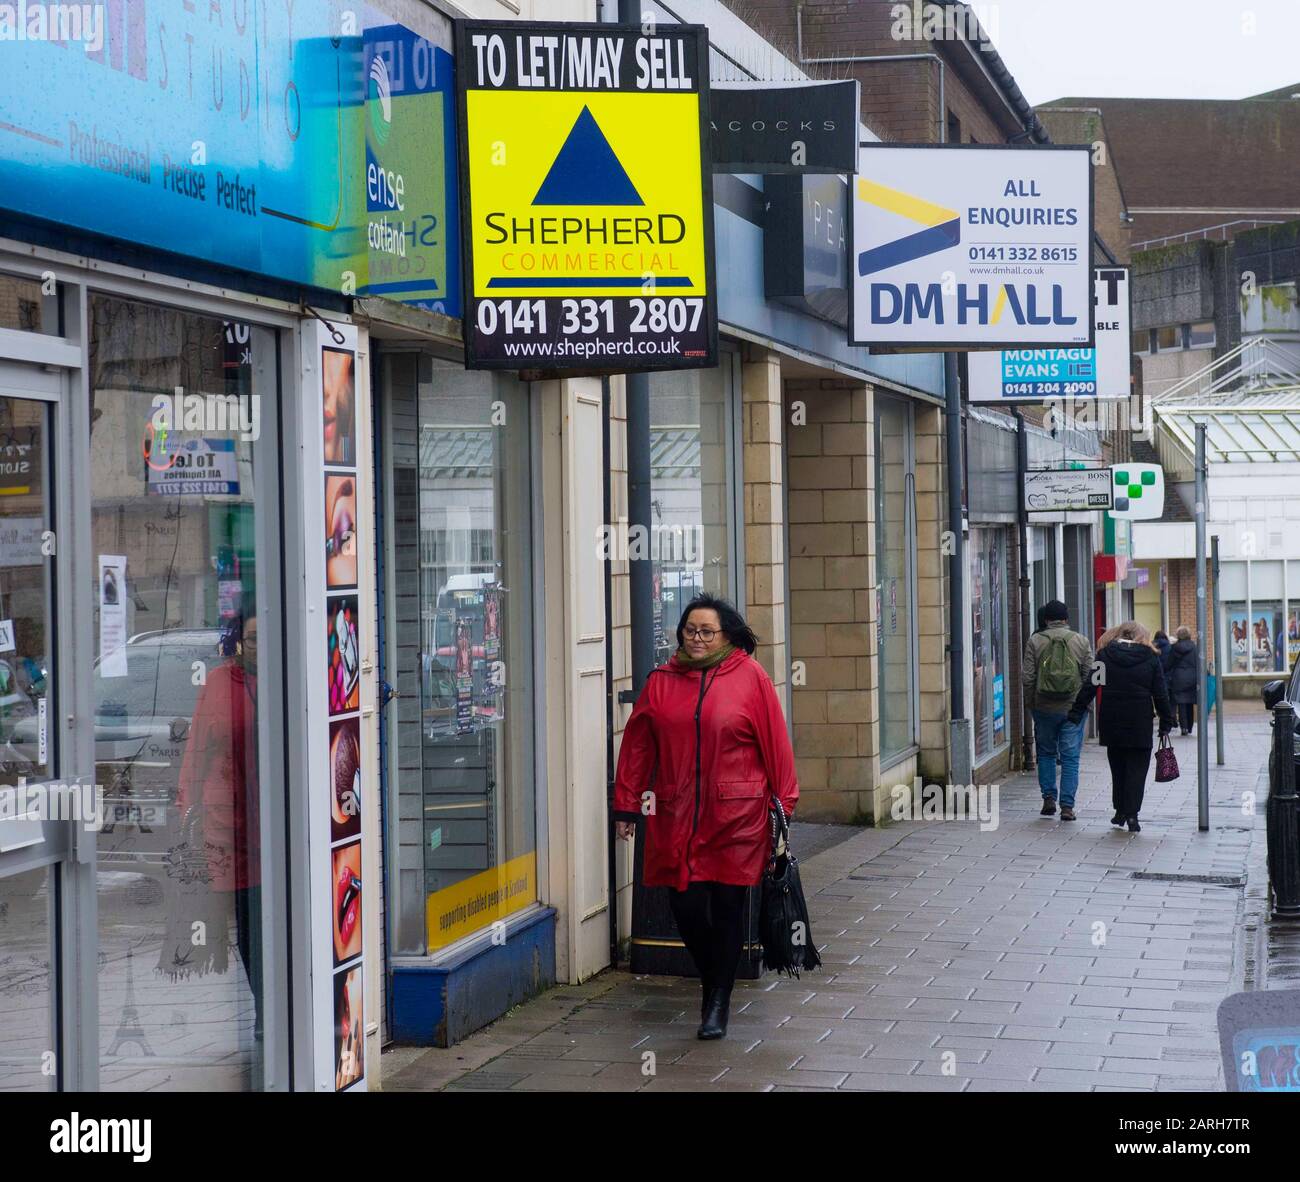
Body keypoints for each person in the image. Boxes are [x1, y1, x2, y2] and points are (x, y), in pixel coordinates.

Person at [613, 594, 797, 1040]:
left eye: (706, 632)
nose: (696, 639)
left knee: (730, 908)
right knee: (687, 904)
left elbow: (776, 744)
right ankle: (715, 978)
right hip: (677, 814)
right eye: (689, 631)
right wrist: (626, 803)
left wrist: (784, 806)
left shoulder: (750, 678)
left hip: (738, 816)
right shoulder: (661, 681)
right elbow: (638, 745)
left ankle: (717, 1001)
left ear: (726, 635)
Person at [173, 609, 263, 1039]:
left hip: (280, 821)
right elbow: (197, 750)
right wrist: (187, 807)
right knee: (249, 920)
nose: (261, 646)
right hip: (231, 821)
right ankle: (266, 1009)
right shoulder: (220, 684)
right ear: (239, 641)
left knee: (279, 915)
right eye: (253, 637)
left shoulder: (293, 675)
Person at [1069, 620, 1175, 833]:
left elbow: (1092, 684)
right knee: (1137, 770)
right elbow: (1160, 693)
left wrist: (1076, 711)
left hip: (1112, 720)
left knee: (1118, 769)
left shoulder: (1105, 656)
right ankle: (1132, 815)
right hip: (1140, 722)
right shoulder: (1151, 658)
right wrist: (1166, 721)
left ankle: (1119, 811)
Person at [1022, 600, 1092, 821]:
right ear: (1066, 619)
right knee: (1071, 758)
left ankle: (1048, 798)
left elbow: (1028, 678)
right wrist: (1083, 704)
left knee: (1046, 753)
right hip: (1073, 709)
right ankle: (1067, 807)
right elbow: (1092, 676)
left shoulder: (1035, 641)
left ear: (1046, 620)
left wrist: (1031, 704)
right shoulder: (1081, 641)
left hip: (1043, 707)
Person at [1163, 625, 1199, 735]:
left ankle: (1183, 727)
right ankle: (1190, 726)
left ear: (1178, 635)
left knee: (1181, 702)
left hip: (1179, 677)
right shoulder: (1194, 647)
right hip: (1193, 676)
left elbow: (1169, 663)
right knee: (1190, 702)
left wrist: (1163, 671)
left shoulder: (1175, 647)